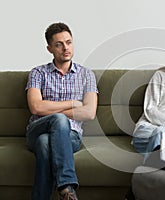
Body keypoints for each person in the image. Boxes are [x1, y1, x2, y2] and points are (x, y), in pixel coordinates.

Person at [25, 22, 98, 200]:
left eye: (69, 42)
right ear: (50, 48)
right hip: (37, 128)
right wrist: (72, 103)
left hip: (71, 135)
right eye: (59, 44)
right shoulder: (38, 73)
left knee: (45, 142)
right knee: (53, 125)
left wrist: (52, 111)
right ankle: (67, 187)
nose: (66, 48)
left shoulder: (86, 74)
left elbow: (89, 112)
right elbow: (36, 107)